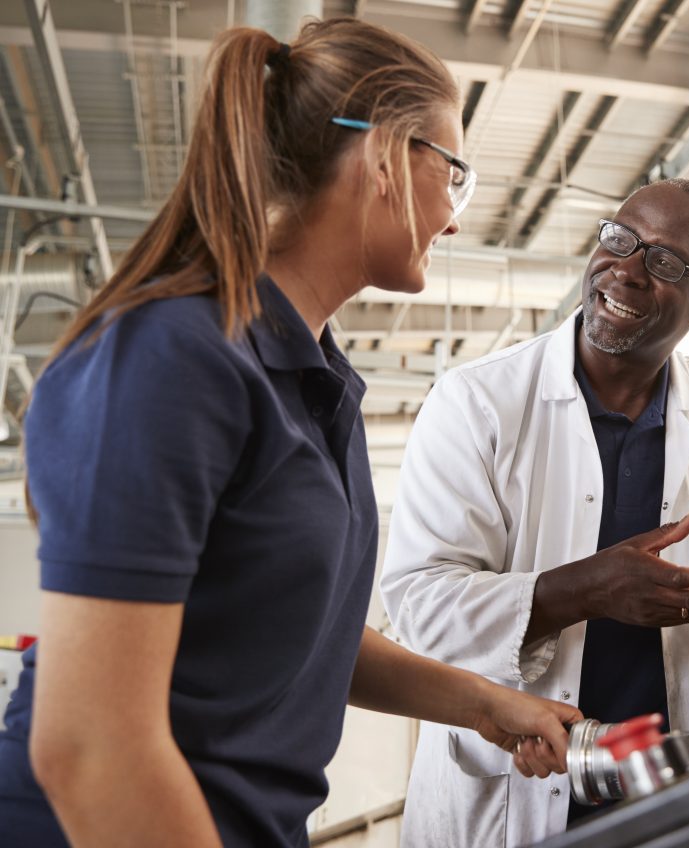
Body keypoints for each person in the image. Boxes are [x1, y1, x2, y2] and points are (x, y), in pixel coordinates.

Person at [0, 18, 580, 848]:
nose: (454, 219)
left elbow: (297, 633)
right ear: (383, 152)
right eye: (452, 172)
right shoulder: (171, 358)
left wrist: (486, 704)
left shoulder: (315, 381)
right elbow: (90, 748)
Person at [380, 177, 689, 846]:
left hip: (660, 798)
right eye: (621, 239)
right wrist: (588, 590)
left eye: (667, 262)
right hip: (511, 795)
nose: (627, 270)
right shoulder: (477, 404)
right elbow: (419, 605)